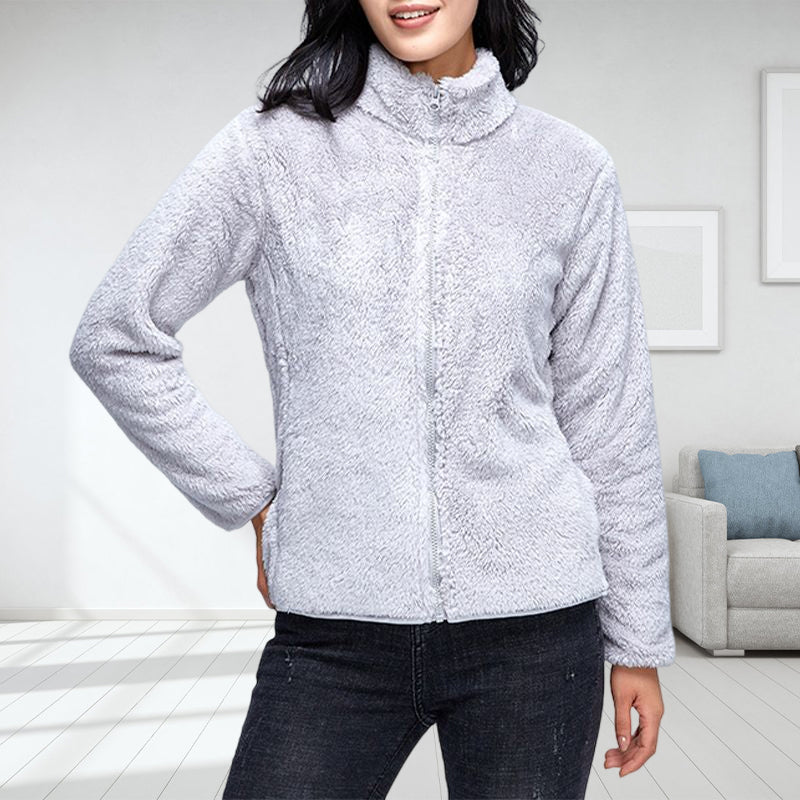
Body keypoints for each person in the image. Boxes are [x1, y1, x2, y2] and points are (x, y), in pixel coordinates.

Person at [69, 0, 676, 797]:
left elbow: (610, 419)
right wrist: (253, 499)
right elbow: (115, 336)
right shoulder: (273, 151)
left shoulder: (569, 168)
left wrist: (636, 642)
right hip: (335, 634)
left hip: (535, 633)